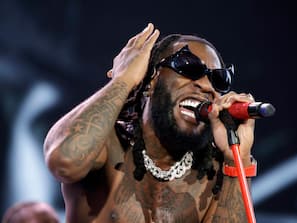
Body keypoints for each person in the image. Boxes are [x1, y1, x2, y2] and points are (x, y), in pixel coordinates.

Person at [44, 23, 257, 223]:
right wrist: (123, 80)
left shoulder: (215, 170)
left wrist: (238, 157)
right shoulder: (107, 144)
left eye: (219, 79)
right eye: (189, 67)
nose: (206, 86)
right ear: (151, 80)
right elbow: (64, 162)